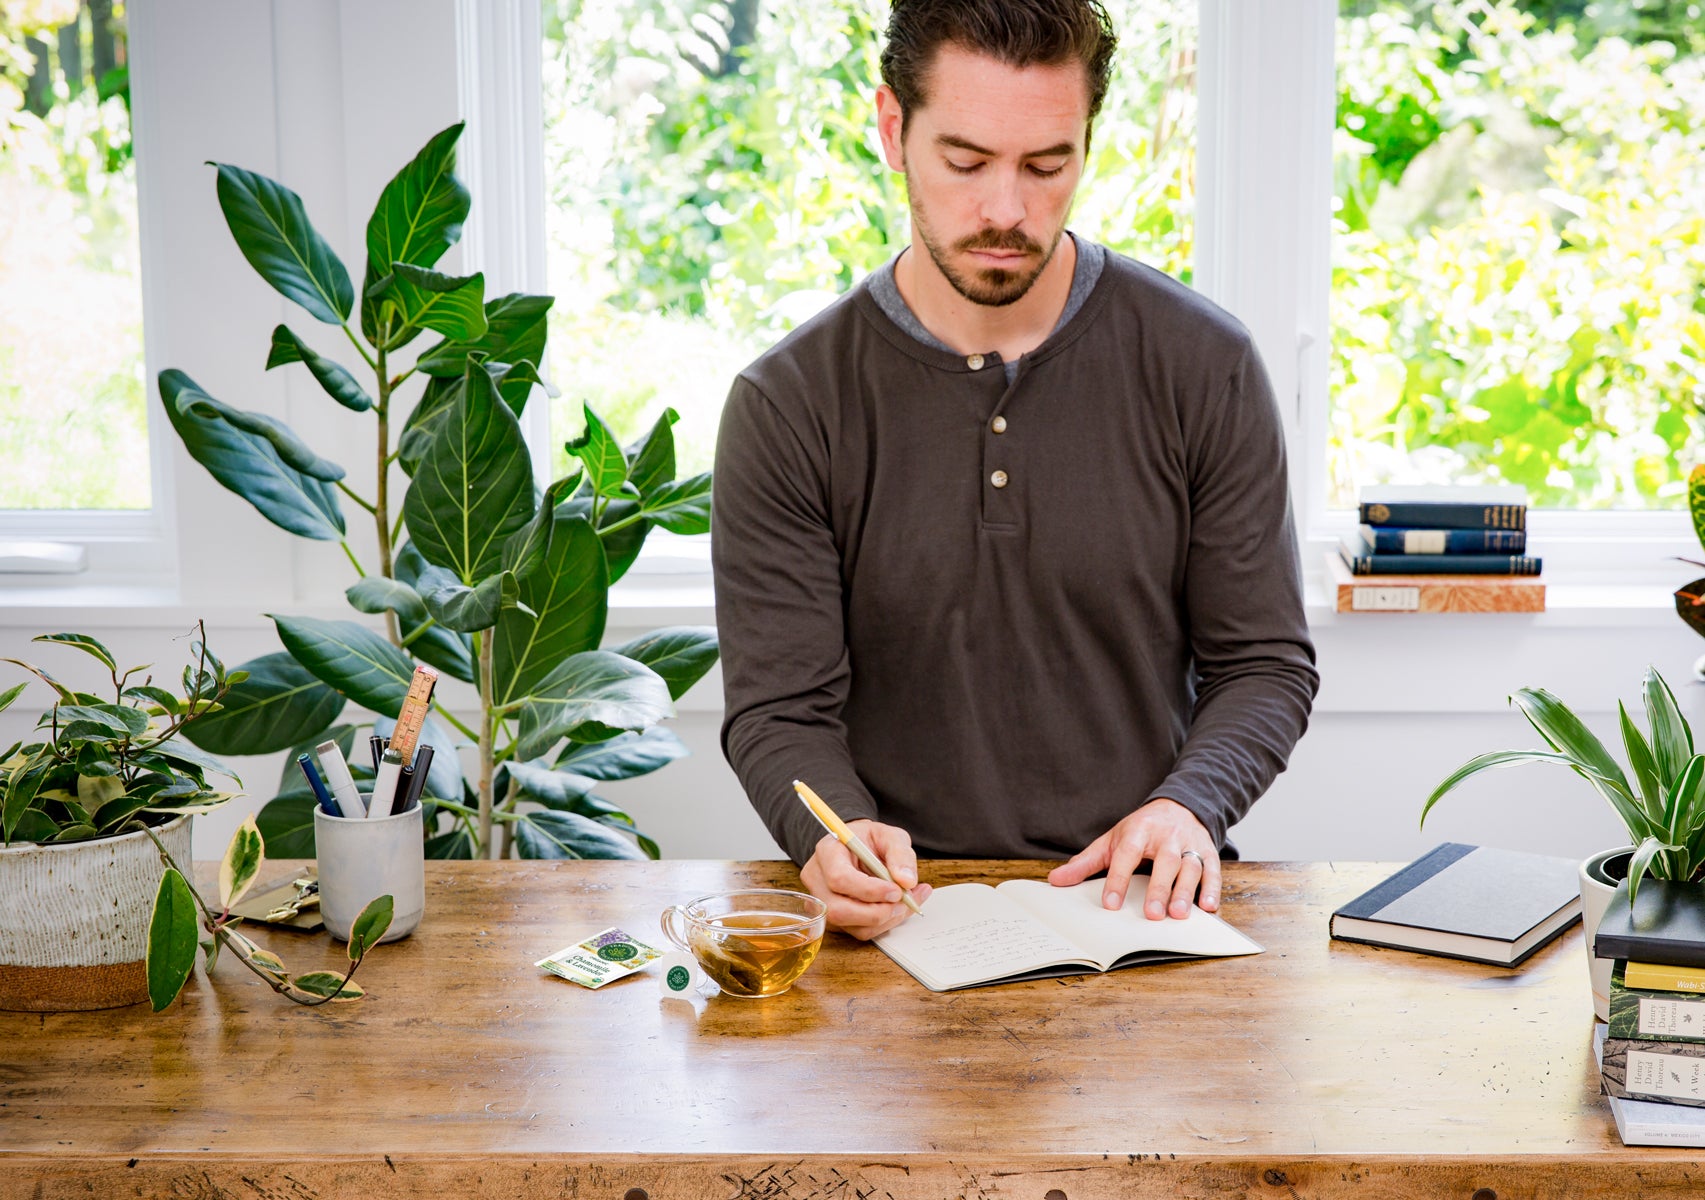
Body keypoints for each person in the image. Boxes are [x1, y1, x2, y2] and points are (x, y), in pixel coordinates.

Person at [711, 0, 1318, 941]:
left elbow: (1263, 664)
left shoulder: (1206, 365)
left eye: (1047, 165)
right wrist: (830, 833)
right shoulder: (788, 403)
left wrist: (1191, 804)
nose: (1006, 210)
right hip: (902, 920)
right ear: (891, 129)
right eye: (964, 162)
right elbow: (779, 711)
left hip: (1143, 908)